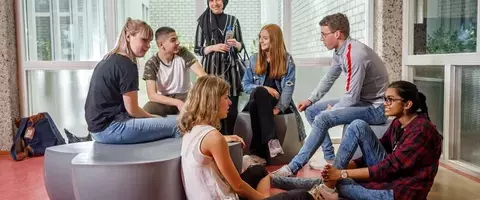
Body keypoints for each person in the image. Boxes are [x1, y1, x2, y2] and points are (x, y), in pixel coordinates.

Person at [270, 81, 443, 200]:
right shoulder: (399, 124)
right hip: (389, 179)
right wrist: (342, 168)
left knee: (341, 184)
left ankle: (320, 186)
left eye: (390, 100)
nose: (385, 104)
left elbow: (389, 167)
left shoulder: (422, 131)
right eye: (385, 99)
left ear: (407, 104)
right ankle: (276, 180)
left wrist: (341, 173)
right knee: (357, 125)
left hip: (399, 193)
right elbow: (378, 150)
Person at [274, 13, 389, 176]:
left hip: (376, 108)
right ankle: (329, 159)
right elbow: (329, 78)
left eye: (324, 34)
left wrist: (333, 109)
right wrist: (310, 99)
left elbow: (352, 97)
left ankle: (293, 167)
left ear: (337, 34)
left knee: (323, 117)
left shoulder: (355, 54)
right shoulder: (339, 52)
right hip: (361, 102)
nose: (322, 38)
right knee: (312, 111)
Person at [179, 75, 324, 200]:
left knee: (259, 171)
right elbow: (238, 186)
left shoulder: (191, 131)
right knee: (302, 196)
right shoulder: (213, 138)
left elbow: (205, 148)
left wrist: (225, 137)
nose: (230, 102)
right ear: (212, 101)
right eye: (225, 97)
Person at [84, 18, 179, 144]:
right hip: (109, 129)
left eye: (150, 41)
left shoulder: (109, 58)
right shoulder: (127, 64)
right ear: (128, 36)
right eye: (144, 40)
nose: (148, 46)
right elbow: (132, 110)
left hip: (96, 129)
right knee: (178, 124)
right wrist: (154, 118)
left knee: (163, 120)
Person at [242, 24, 305, 166]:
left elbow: (288, 88)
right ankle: (272, 140)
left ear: (275, 40)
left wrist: (278, 108)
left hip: (275, 102)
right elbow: (245, 85)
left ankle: (258, 155)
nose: (261, 41)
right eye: (260, 38)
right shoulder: (254, 59)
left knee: (254, 106)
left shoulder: (287, 60)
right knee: (259, 92)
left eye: (265, 38)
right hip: (258, 97)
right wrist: (263, 87)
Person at [194, 0, 245, 135]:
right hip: (211, 71)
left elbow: (241, 47)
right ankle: (214, 143)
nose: (215, 3)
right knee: (212, 109)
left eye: (218, 0)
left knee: (231, 110)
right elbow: (197, 49)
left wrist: (236, 44)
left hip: (231, 71)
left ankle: (229, 143)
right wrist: (213, 47)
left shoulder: (233, 21)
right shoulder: (202, 22)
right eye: (211, 0)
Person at [142, 26, 206, 116]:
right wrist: (177, 103)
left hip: (186, 97)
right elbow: (152, 95)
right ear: (161, 45)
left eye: (177, 39)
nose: (178, 42)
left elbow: (202, 74)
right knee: (148, 108)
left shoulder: (182, 52)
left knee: (201, 106)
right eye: (173, 40)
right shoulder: (151, 63)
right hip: (165, 101)